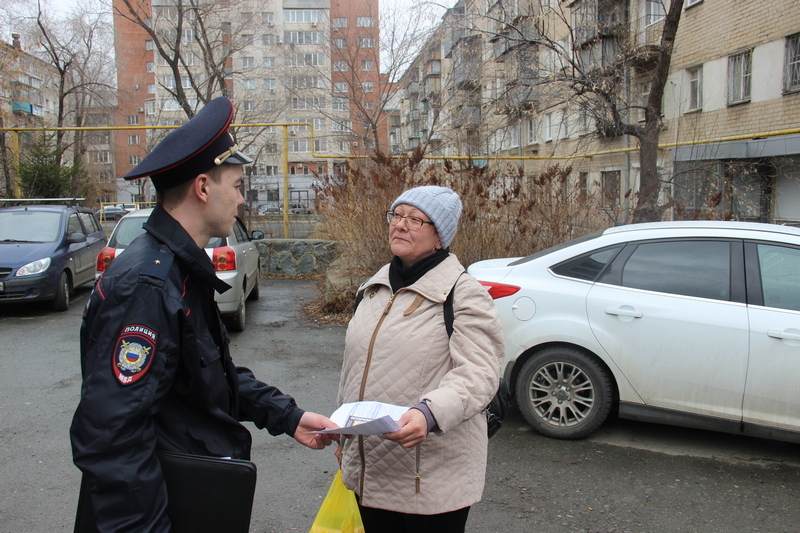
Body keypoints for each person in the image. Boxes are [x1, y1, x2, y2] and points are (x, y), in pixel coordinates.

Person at [70, 96, 337, 532]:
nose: (242, 200)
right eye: (236, 187)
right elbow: (111, 439)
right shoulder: (149, 285)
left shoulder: (179, 269)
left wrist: (288, 416)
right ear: (202, 188)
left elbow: (209, 375)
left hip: (189, 496)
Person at [335, 185, 505, 532]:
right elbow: (354, 369)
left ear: (439, 237)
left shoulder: (464, 294)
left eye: (415, 220)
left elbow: (480, 373)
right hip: (368, 469)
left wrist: (429, 413)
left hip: (428, 479)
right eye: (396, 215)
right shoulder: (373, 288)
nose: (400, 225)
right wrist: (343, 438)